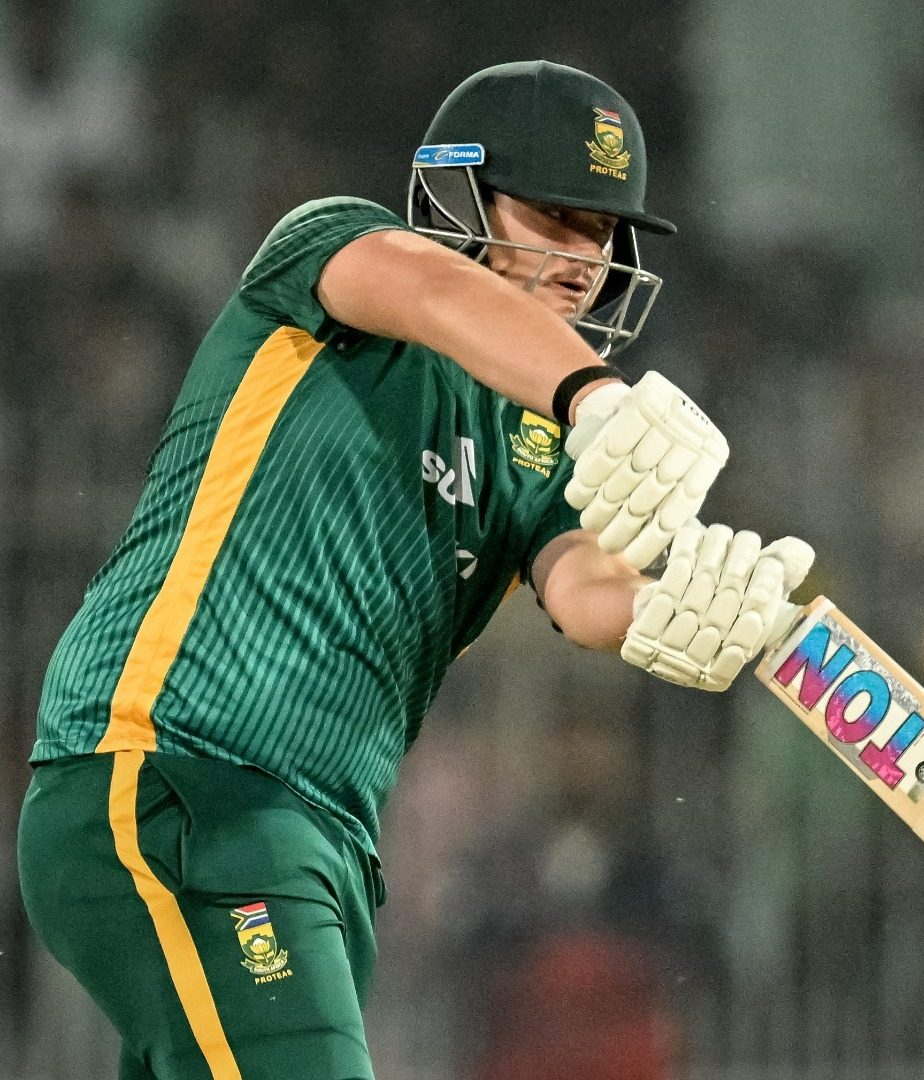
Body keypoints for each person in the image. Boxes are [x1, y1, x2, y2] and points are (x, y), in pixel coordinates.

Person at [15, 60, 811, 1080]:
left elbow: (583, 591)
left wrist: (687, 605)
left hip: (318, 844)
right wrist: (594, 394)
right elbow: (430, 287)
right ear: (457, 197)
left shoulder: (537, 440)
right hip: (178, 779)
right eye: (557, 218)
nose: (589, 260)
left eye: (608, 233)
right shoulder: (331, 255)